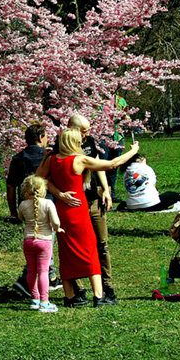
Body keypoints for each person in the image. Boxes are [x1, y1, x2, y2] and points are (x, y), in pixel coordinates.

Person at [36, 125, 138, 308]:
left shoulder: (52, 160)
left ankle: (70, 297)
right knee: (90, 250)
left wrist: (58, 193)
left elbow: (39, 178)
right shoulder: (79, 160)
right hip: (79, 210)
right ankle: (98, 296)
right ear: (74, 142)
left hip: (62, 210)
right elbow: (112, 164)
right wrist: (134, 151)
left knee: (66, 252)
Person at [64, 114, 119, 303]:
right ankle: (76, 289)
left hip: (93, 198)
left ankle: (107, 285)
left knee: (102, 243)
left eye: (88, 130)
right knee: (74, 246)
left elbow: (98, 165)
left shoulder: (90, 142)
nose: (87, 134)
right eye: (83, 130)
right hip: (74, 203)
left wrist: (105, 189)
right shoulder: (62, 144)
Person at [4, 123, 59, 299]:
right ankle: (28, 280)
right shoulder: (48, 157)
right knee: (46, 240)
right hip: (47, 202)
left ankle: (50, 276)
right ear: (41, 137)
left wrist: (13, 211)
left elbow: (11, 186)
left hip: (26, 205)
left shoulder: (18, 158)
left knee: (34, 238)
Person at [18, 174, 63, 313]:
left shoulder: (23, 205)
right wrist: (57, 228)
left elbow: (21, 218)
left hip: (28, 240)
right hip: (44, 240)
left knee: (31, 271)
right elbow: (55, 222)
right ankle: (44, 302)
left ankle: (35, 299)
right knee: (43, 271)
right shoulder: (48, 203)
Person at [116, 155, 180, 211]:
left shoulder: (126, 172)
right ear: (141, 160)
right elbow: (153, 183)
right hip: (151, 205)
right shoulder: (146, 168)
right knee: (169, 195)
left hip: (132, 206)